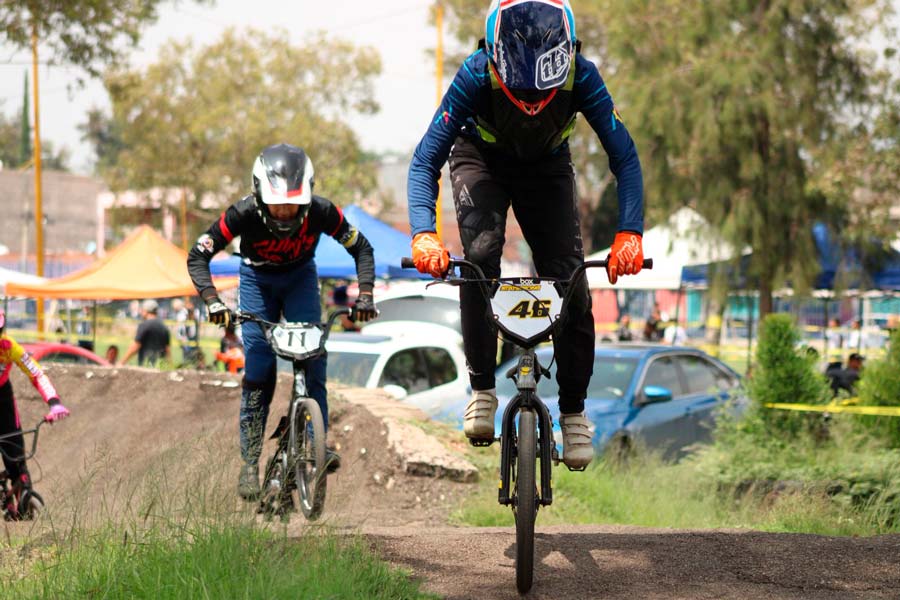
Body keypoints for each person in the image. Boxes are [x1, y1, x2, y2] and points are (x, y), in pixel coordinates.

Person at [406, 0, 644, 469]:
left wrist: (629, 232)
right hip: (481, 158)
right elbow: (425, 159)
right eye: (520, 91)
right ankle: (482, 389)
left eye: (543, 92)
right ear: (494, 60)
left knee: (571, 279)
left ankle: (573, 411)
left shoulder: (582, 75)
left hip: (547, 167)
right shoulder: (475, 73)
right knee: (479, 257)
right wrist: (422, 233)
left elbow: (626, 158)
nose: (533, 103)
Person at [187, 143, 377, 500]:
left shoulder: (323, 212)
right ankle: (249, 462)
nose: (285, 213)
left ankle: (315, 441)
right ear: (259, 195)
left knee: (313, 359)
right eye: (277, 205)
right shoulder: (240, 214)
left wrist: (365, 295)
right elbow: (198, 257)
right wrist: (212, 301)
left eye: (293, 205)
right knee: (259, 368)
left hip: (300, 279)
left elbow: (362, 248)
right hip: (257, 282)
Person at [0, 310, 70, 519]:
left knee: (16, 459)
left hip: (3, 402)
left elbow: (36, 373)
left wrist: (54, 402)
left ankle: (22, 492)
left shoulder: (9, 347)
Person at [118, 299, 171, 367]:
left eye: (142, 310)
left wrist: (122, 362)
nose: (141, 312)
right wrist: (169, 366)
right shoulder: (163, 326)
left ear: (146, 311)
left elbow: (135, 346)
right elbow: (167, 349)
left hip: (147, 366)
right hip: (160, 366)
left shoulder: (144, 325)